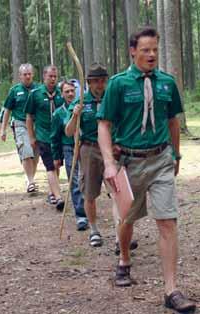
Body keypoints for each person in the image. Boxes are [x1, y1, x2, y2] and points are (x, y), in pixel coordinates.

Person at [97, 27, 196, 312]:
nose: (151, 54)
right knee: (126, 219)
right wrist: (109, 164)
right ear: (132, 51)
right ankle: (124, 258)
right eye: (145, 50)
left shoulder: (167, 83)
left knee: (167, 221)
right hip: (128, 164)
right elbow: (104, 124)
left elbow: (172, 120)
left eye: (155, 49)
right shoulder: (118, 84)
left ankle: (171, 291)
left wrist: (176, 155)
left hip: (161, 159)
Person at [65, 62, 110, 247]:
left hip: (112, 149)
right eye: (96, 81)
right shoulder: (81, 102)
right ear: (89, 83)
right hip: (89, 149)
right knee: (89, 192)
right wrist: (76, 116)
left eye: (102, 80)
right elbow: (68, 132)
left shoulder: (112, 98)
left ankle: (121, 232)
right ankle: (94, 230)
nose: (100, 85)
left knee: (118, 191)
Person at [25, 65, 65, 210]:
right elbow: (29, 116)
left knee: (57, 164)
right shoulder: (35, 94)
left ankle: (52, 192)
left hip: (59, 136)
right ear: (44, 77)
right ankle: (58, 197)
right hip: (44, 135)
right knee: (50, 165)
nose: (53, 79)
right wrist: (31, 137)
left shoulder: (61, 93)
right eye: (50, 76)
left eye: (55, 76)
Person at [51, 80, 88, 231]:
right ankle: (81, 215)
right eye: (67, 91)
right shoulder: (58, 113)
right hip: (68, 148)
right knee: (74, 180)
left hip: (85, 146)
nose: (70, 94)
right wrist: (56, 156)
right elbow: (54, 136)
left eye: (72, 90)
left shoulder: (84, 108)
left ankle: (88, 207)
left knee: (87, 179)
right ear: (62, 94)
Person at [0, 63, 39, 193]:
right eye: (25, 74)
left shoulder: (39, 89)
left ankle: (30, 178)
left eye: (29, 74)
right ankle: (31, 181)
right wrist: (3, 129)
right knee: (26, 151)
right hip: (20, 124)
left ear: (32, 74)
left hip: (36, 125)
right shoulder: (15, 90)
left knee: (35, 154)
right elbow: (7, 110)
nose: (27, 76)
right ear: (20, 76)